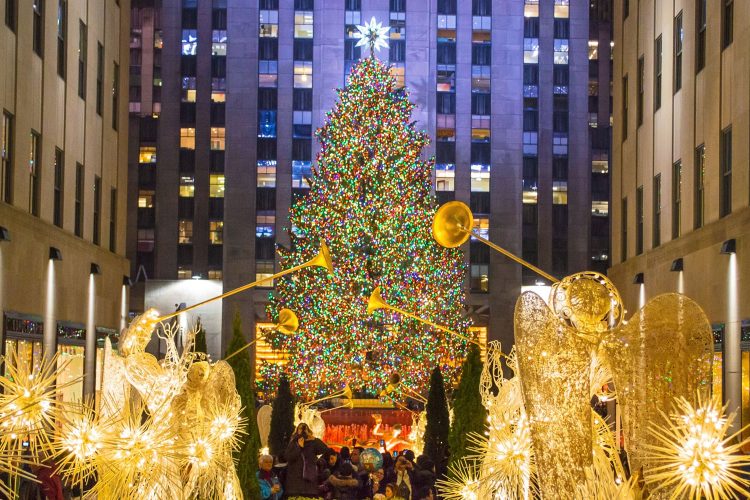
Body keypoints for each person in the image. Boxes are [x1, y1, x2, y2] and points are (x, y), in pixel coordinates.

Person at [285, 422, 330, 498]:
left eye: (305, 428)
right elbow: (288, 457)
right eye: (300, 428)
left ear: (308, 430)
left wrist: (314, 439)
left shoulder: (313, 443)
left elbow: (325, 449)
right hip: (295, 483)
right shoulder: (293, 443)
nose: (302, 431)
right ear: (297, 431)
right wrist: (299, 447)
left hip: (309, 483)